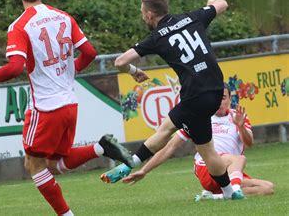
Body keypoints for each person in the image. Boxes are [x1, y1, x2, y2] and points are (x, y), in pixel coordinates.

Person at [0, 0, 132, 216]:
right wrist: (71, 70)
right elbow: (90, 53)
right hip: (69, 103)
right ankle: (101, 148)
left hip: (45, 107)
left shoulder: (19, 26)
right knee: (56, 164)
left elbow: (15, 67)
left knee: (33, 165)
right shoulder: (63, 16)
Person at [102, 0, 245, 200]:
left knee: (166, 128)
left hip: (195, 95)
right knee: (206, 149)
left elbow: (119, 62)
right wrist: (211, 4)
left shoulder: (157, 37)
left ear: (150, 15)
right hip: (215, 90)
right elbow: (223, 3)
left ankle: (131, 162)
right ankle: (230, 192)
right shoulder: (193, 17)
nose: (143, 17)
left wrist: (134, 72)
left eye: (143, 13)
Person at [105, 84, 274, 199]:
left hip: (230, 172)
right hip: (207, 168)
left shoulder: (237, 117)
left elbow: (249, 143)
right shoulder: (200, 118)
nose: (220, 101)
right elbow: (170, 147)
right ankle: (234, 189)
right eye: (217, 98)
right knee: (240, 159)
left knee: (267, 188)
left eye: (223, 97)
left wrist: (241, 127)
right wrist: (144, 171)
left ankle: (215, 196)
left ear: (230, 99)